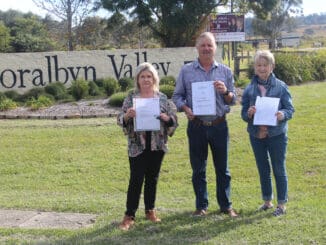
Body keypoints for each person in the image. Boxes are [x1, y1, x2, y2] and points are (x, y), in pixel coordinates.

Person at [172, 32, 238, 217]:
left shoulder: (225, 71)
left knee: (222, 169)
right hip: (197, 125)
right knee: (198, 169)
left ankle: (226, 206)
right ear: (197, 48)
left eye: (210, 45)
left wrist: (225, 92)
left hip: (219, 125)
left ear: (215, 47)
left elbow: (233, 99)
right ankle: (201, 206)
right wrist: (185, 108)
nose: (206, 49)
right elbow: (177, 96)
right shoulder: (186, 71)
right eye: (203, 45)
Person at [117, 62, 178, 230]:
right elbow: (120, 119)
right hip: (137, 146)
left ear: (154, 79)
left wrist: (168, 119)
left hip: (157, 145)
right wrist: (127, 116)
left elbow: (174, 119)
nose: (146, 79)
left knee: (153, 178)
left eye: (149, 76)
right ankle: (129, 215)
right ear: (137, 79)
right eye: (142, 76)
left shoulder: (162, 98)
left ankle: (150, 210)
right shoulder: (131, 97)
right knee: (136, 179)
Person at [241, 50, 294, 216]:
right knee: (263, 168)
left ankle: (282, 204)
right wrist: (248, 113)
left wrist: (282, 114)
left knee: (278, 168)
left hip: (276, 135)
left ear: (272, 66)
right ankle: (267, 201)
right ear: (255, 68)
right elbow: (243, 114)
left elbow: (290, 109)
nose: (262, 68)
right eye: (259, 65)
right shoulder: (249, 89)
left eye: (265, 65)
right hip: (256, 135)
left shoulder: (281, 86)